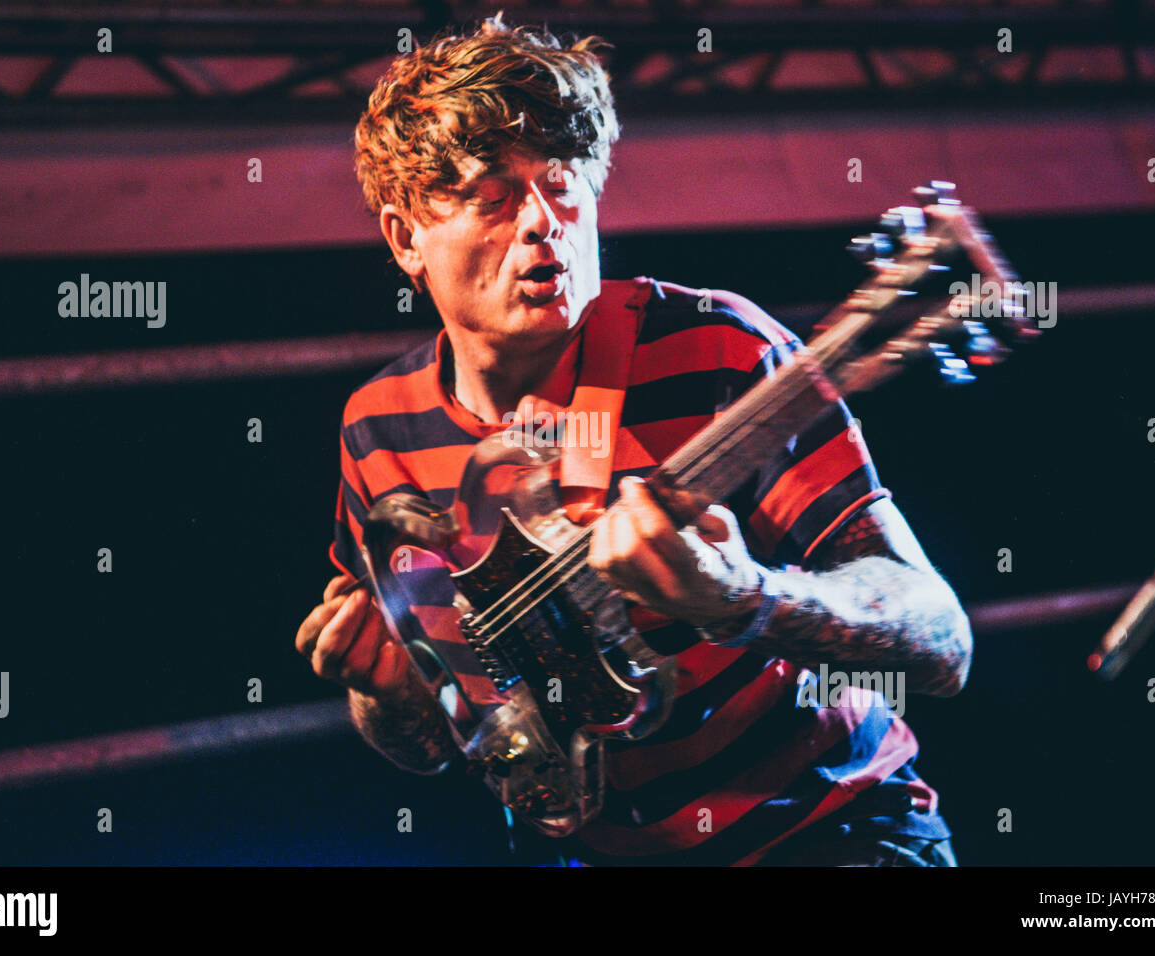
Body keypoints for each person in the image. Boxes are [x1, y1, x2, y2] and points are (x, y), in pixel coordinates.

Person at [295, 15, 970, 866]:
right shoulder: (378, 430)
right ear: (404, 240)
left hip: (829, 836)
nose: (543, 221)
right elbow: (440, 742)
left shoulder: (720, 349)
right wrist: (385, 695)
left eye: (564, 182)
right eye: (491, 194)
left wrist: (749, 598)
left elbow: (942, 641)